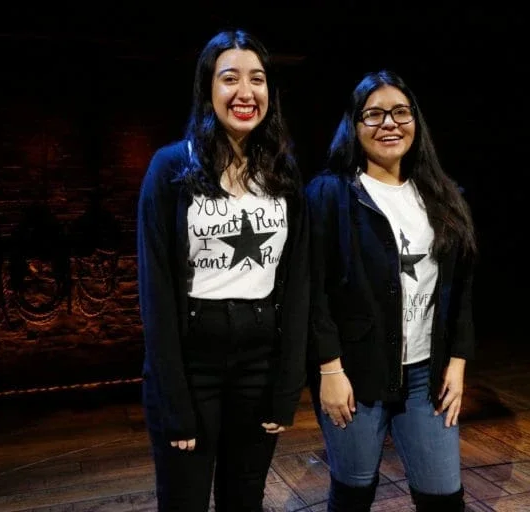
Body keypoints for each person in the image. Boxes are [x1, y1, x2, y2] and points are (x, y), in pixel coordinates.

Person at [136, 29, 309, 512]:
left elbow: (297, 284)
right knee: (184, 502)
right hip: (191, 371)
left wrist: (286, 386)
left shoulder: (283, 171)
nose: (245, 92)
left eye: (257, 79)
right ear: (207, 88)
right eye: (229, 78)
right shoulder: (170, 167)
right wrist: (175, 403)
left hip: (260, 368)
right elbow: (155, 290)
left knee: (244, 501)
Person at [305, 69, 477, 511]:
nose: (389, 124)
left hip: (427, 377)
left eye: (401, 112)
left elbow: (460, 290)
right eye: (375, 114)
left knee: (444, 498)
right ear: (354, 124)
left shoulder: (444, 195)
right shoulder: (330, 194)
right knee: (353, 495)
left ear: (415, 122)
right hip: (354, 375)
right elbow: (313, 290)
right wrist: (329, 369)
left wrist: (457, 361)